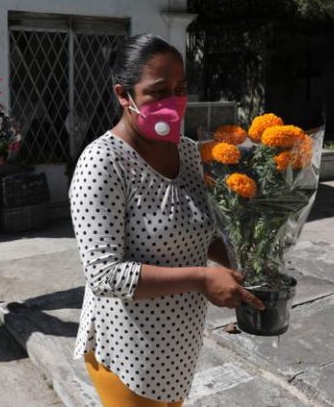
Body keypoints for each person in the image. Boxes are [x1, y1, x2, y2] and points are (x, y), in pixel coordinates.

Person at [69, 33, 265, 406]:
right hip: (129, 350)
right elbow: (105, 275)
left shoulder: (189, 153)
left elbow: (197, 233)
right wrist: (204, 276)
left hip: (179, 342)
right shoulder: (103, 164)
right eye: (158, 92)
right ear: (124, 96)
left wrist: (250, 264)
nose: (173, 102)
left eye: (180, 88)